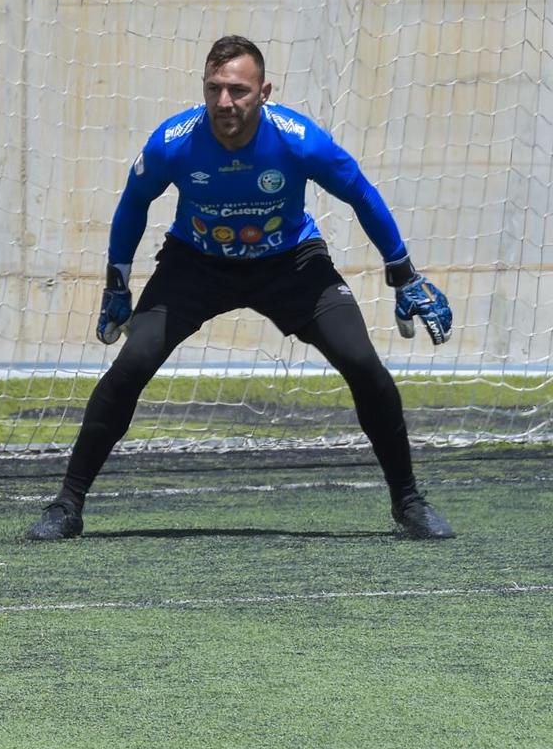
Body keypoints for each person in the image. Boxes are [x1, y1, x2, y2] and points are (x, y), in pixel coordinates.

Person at [26, 35, 457, 542]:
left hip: (291, 264)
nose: (224, 103)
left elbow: (360, 192)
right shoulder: (174, 142)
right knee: (133, 363)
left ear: (264, 91)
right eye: (214, 90)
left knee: (363, 363)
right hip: (196, 264)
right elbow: (133, 203)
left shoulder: (299, 140)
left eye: (237, 90)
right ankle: (67, 505)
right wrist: (116, 285)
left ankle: (409, 502)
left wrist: (401, 271)